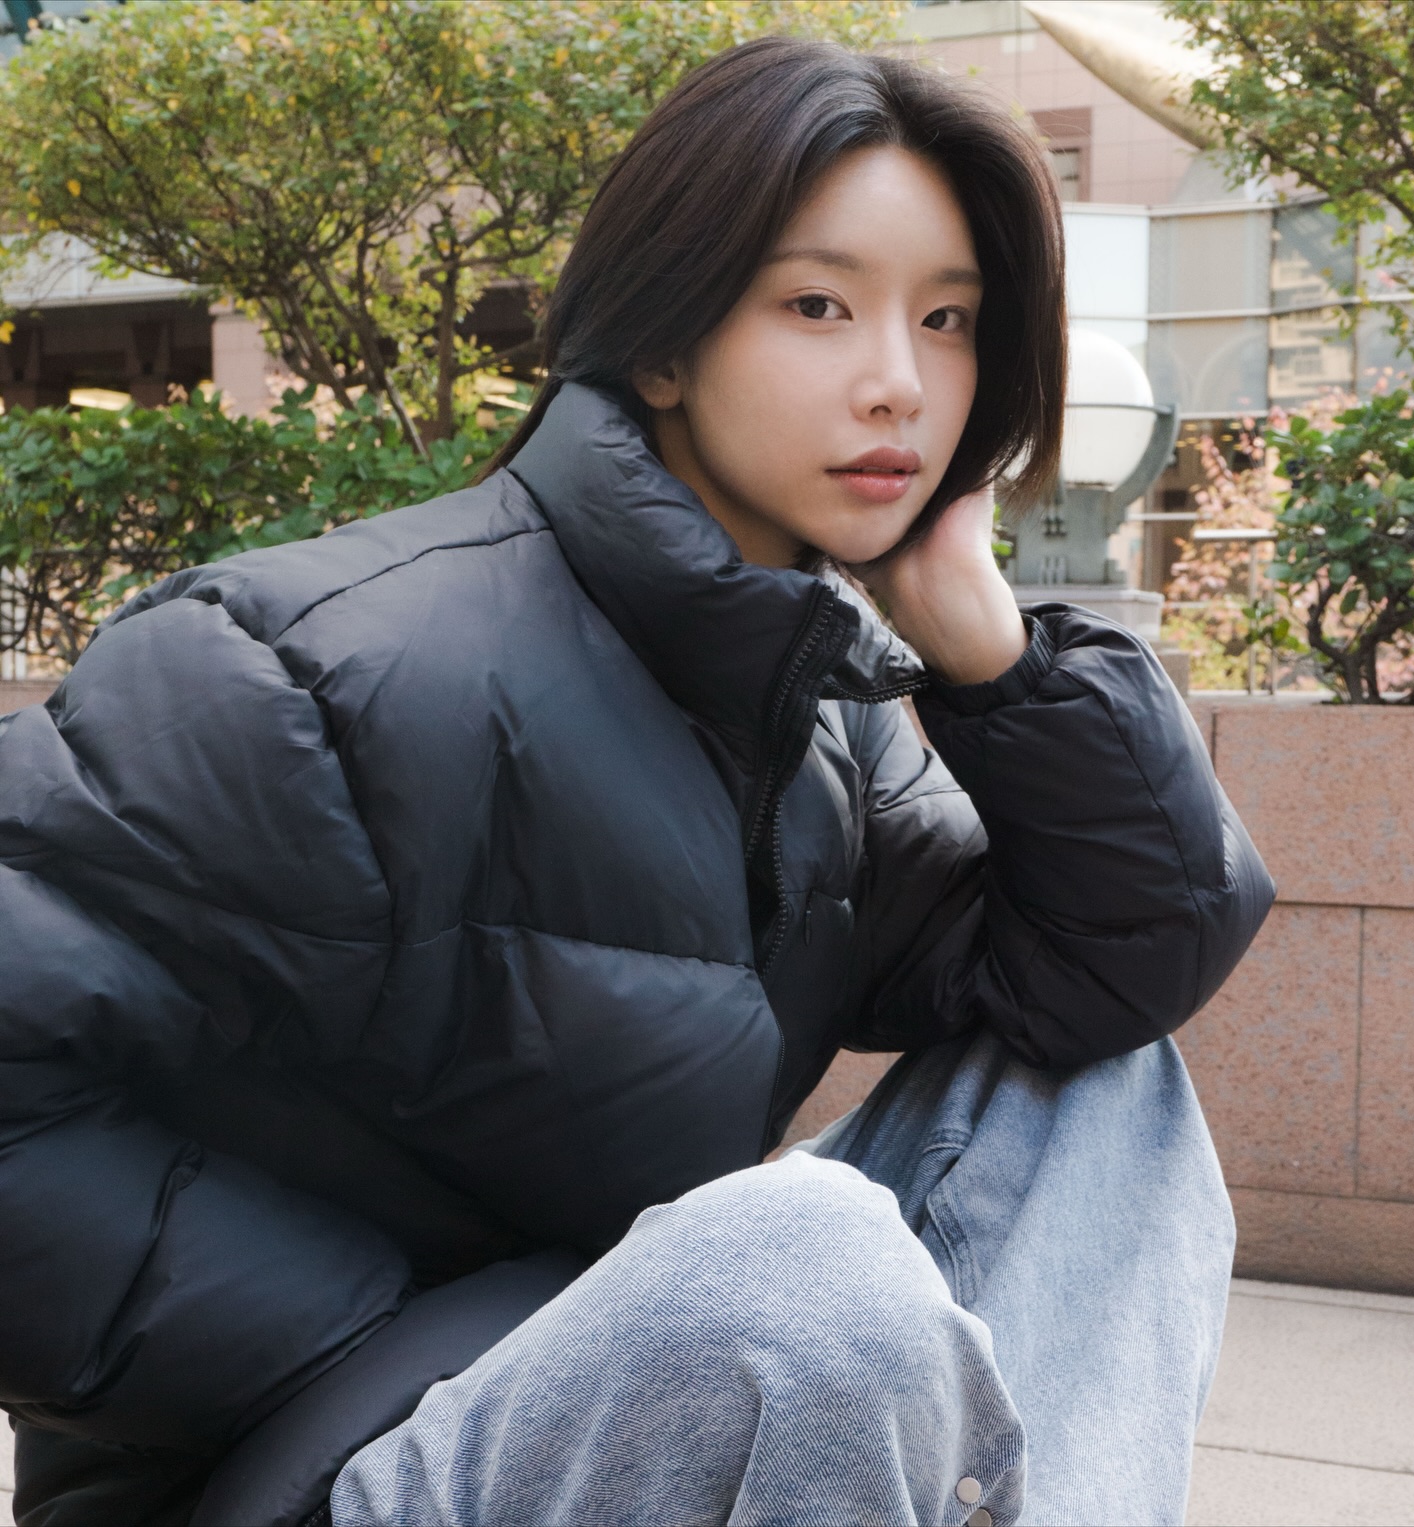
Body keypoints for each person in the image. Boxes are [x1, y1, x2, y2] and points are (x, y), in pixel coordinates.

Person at [0, 35, 1272, 1527]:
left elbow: (1108, 968)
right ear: (663, 344)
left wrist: (994, 656)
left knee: (1106, 1091)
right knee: (796, 1269)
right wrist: (387, 1350)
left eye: (947, 321)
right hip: (295, 1477)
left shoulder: (816, 721)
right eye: (818, 305)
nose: (898, 385)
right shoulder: (314, 664)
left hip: (596, 1422)